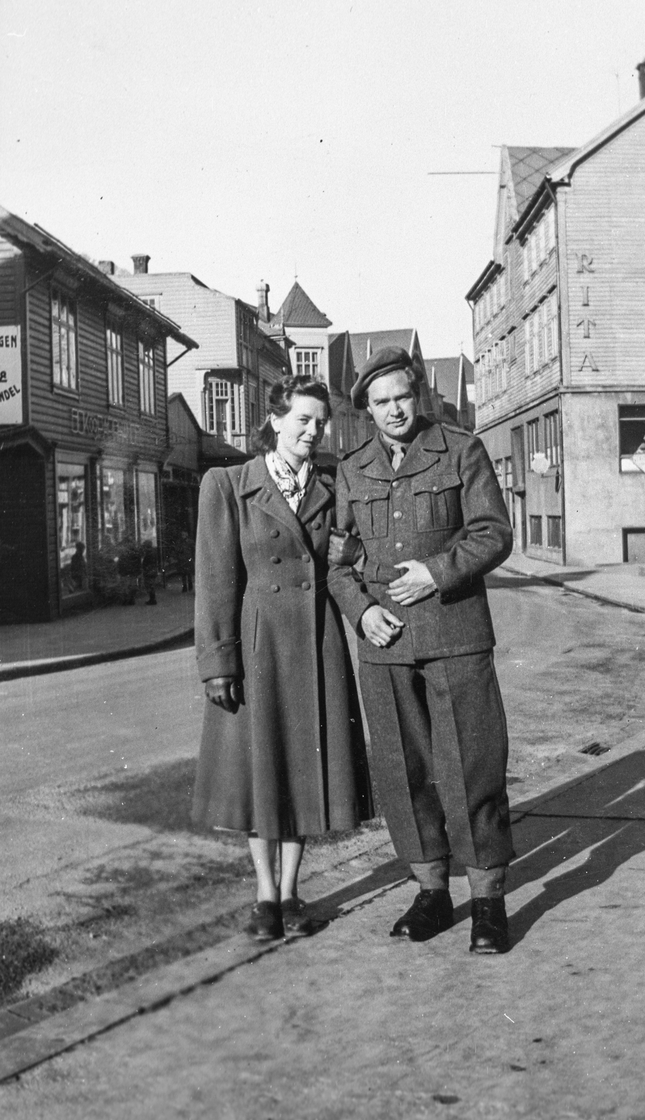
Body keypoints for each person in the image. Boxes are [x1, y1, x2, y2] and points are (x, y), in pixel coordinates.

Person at [328, 347, 514, 954]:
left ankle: (487, 902)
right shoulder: (352, 469)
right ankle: (432, 891)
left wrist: (437, 573)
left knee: (471, 767)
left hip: (455, 633)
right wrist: (362, 611)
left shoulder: (461, 450)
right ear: (367, 410)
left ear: (420, 396)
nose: (393, 411)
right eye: (380, 403)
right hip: (385, 643)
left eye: (401, 398)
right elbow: (336, 558)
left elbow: (493, 532)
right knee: (403, 774)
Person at [192, 375, 373, 941]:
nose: (313, 432)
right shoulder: (227, 485)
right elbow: (215, 580)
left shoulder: (331, 486)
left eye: (321, 423)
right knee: (260, 771)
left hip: (317, 641)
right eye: (303, 420)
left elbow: (349, 557)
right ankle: (265, 895)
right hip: (257, 643)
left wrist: (355, 551)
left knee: (306, 770)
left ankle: (292, 891)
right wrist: (218, 661)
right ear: (274, 421)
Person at [141, 540, 158, 605]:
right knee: (152, 585)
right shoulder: (153, 552)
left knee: (149, 585)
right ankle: (152, 599)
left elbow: (146, 563)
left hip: (149, 571)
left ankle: (152, 599)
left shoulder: (149, 553)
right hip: (153, 570)